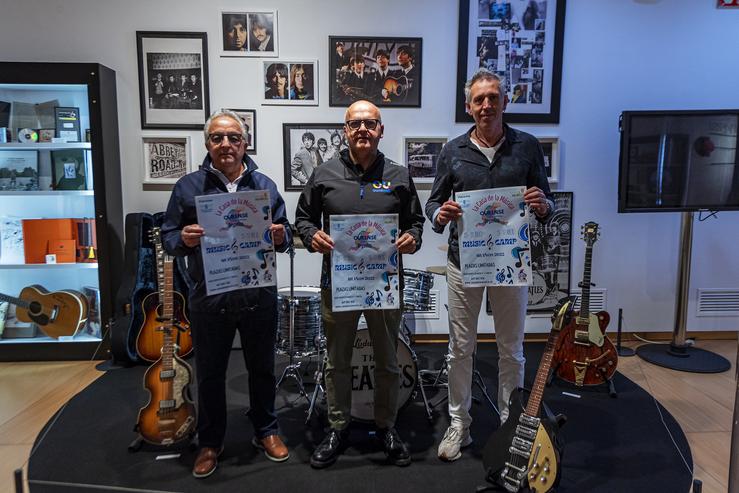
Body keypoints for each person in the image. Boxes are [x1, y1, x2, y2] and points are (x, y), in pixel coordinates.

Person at [424, 68, 554, 462]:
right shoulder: (452, 150)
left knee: (511, 349)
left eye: (492, 97)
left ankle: (509, 424)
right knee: (460, 348)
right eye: (478, 99)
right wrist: (440, 214)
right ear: (468, 106)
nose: (486, 105)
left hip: (510, 264)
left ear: (504, 102)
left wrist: (542, 205)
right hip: (464, 263)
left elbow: (546, 203)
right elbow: (432, 203)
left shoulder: (527, 146)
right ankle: (459, 424)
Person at [161, 109, 292, 478]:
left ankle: (266, 431)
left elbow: (283, 233)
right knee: (211, 375)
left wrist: (281, 235)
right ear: (208, 144)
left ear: (245, 143)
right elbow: (168, 237)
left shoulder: (264, 185)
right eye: (218, 138)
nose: (226, 144)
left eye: (234, 137)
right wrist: (182, 240)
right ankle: (210, 441)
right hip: (210, 298)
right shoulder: (188, 187)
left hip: (258, 295)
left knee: (262, 370)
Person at [295, 100, 424, 469]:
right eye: (355, 124)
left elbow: (415, 223)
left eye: (370, 123)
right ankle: (337, 426)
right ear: (345, 130)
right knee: (337, 361)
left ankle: (386, 426)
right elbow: (302, 218)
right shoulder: (323, 173)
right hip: (339, 283)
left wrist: (411, 238)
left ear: (380, 130)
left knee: (386, 361)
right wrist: (311, 234)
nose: (363, 129)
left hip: (383, 284)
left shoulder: (399, 175)